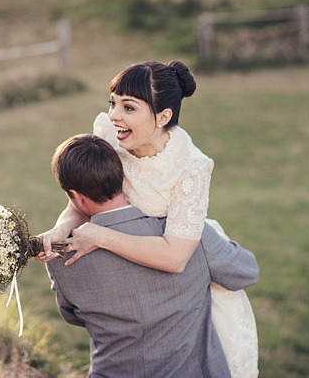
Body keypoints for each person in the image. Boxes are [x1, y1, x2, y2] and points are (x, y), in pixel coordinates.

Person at [38, 61, 259, 377]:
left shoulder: (190, 168)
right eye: (112, 103)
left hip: (180, 246)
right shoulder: (114, 137)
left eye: (128, 107)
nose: (114, 116)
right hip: (132, 238)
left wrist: (100, 236)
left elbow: (175, 257)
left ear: (163, 116)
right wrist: (62, 229)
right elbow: (83, 199)